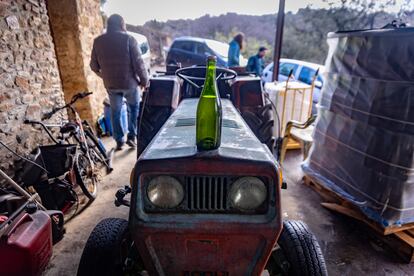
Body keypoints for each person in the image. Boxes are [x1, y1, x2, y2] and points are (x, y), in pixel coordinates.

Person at [90, 14, 149, 151]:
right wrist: (144, 81)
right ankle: (131, 138)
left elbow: (93, 66)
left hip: (111, 85)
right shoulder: (129, 39)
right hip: (130, 84)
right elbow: (139, 64)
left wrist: (103, 76)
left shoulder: (98, 41)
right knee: (133, 109)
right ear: (122, 24)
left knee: (115, 112)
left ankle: (119, 141)